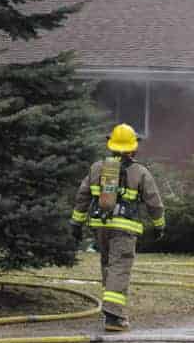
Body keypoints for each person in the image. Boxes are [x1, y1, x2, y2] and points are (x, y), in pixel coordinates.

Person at [69, 123, 165, 331]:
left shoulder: (97, 168)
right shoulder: (139, 172)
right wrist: (159, 225)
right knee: (119, 267)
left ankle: (110, 308)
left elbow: (82, 197)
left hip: (100, 226)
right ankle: (115, 316)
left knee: (108, 265)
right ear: (133, 147)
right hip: (125, 229)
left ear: (111, 145)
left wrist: (76, 223)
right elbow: (154, 203)